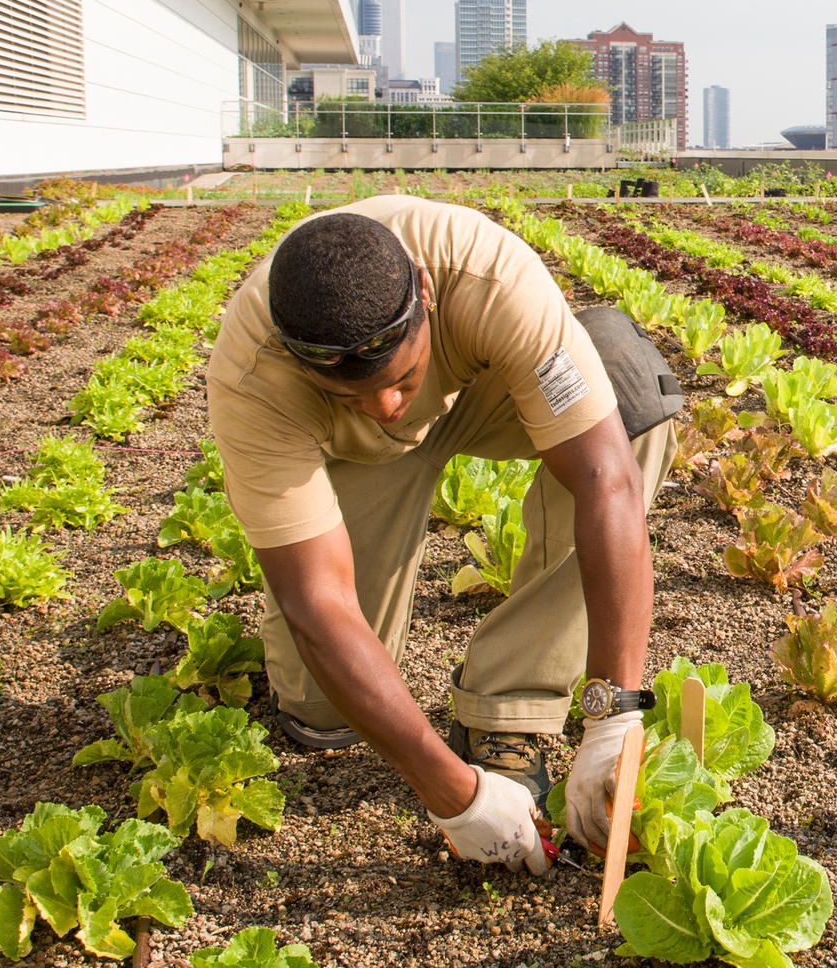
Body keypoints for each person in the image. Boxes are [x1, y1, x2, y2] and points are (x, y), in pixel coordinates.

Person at [205, 196, 685, 877]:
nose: (387, 407)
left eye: (400, 379)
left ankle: (506, 709)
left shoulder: (488, 278)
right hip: (351, 457)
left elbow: (607, 479)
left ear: (425, 296)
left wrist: (614, 714)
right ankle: (362, 404)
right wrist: (453, 797)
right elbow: (318, 603)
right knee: (320, 714)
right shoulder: (254, 379)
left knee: (631, 402)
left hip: (482, 390)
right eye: (352, 394)